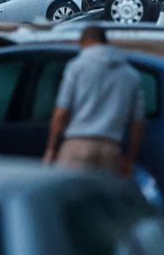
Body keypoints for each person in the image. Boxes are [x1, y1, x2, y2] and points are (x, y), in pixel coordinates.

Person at [43, 26, 144, 176]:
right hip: (111, 149)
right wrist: (129, 159)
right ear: (105, 41)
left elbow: (61, 112)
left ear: (83, 42)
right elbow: (138, 124)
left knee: (69, 190)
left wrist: (51, 149)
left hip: (77, 144)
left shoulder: (76, 67)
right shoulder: (131, 74)